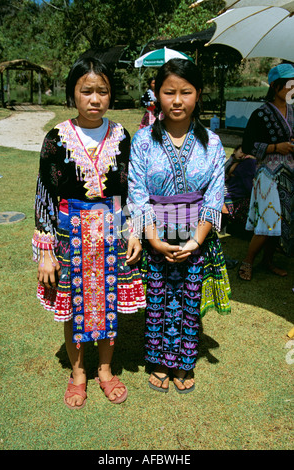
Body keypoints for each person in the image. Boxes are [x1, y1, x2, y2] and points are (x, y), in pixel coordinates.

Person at [32, 54, 146, 409]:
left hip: (112, 236)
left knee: (108, 304)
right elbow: (45, 196)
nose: (95, 99)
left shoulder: (122, 135)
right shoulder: (57, 138)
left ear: (111, 95)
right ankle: (79, 373)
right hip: (70, 239)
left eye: (103, 91)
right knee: (73, 307)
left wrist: (134, 231)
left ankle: (106, 370)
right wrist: (47, 251)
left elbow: (132, 190)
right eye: (86, 91)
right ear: (73, 95)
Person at [127, 58, 231, 394]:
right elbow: (137, 193)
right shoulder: (143, 141)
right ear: (157, 93)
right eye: (169, 91)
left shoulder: (212, 143)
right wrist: (154, 240)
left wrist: (196, 242)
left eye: (185, 92)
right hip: (156, 233)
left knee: (188, 301)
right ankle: (158, 360)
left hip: (195, 236)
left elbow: (214, 195)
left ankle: (185, 363)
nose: (177, 100)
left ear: (198, 94)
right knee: (157, 300)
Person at [238, 63, 294, 281]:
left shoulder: (293, 112)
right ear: (274, 85)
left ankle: (267, 261)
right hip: (268, 174)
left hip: (289, 172)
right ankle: (248, 261)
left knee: (283, 221)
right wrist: (275, 147)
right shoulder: (260, 113)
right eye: (289, 84)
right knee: (269, 218)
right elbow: (248, 145)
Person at [222, 145, 257, 229]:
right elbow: (249, 188)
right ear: (235, 151)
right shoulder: (247, 163)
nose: (243, 155)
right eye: (241, 152)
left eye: (246, 153)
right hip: (232, 197)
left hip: (228, 196)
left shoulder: (235, 162)